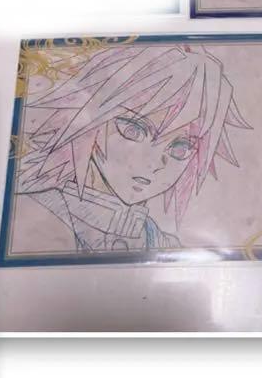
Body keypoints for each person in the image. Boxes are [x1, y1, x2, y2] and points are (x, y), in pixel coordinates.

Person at [13, 43, 249, 253]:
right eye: (134, 130)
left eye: (180, 148)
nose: (153, 163)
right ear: (92, 118)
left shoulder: (162, 243)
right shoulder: (34, 216)